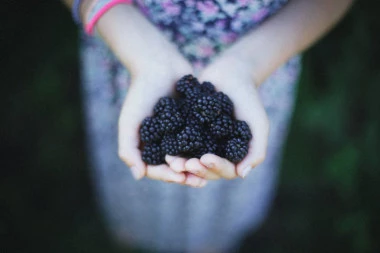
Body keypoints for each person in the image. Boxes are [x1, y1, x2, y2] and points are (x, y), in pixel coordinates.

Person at [62, 0, 353, 252]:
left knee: (222, 194)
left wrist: (248, 64)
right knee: (135, 188)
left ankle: (213, 240)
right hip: (128, 56)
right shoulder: (173, 113)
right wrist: (141, 52)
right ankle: (133, 227)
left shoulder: (219, 116)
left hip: (259, 68)